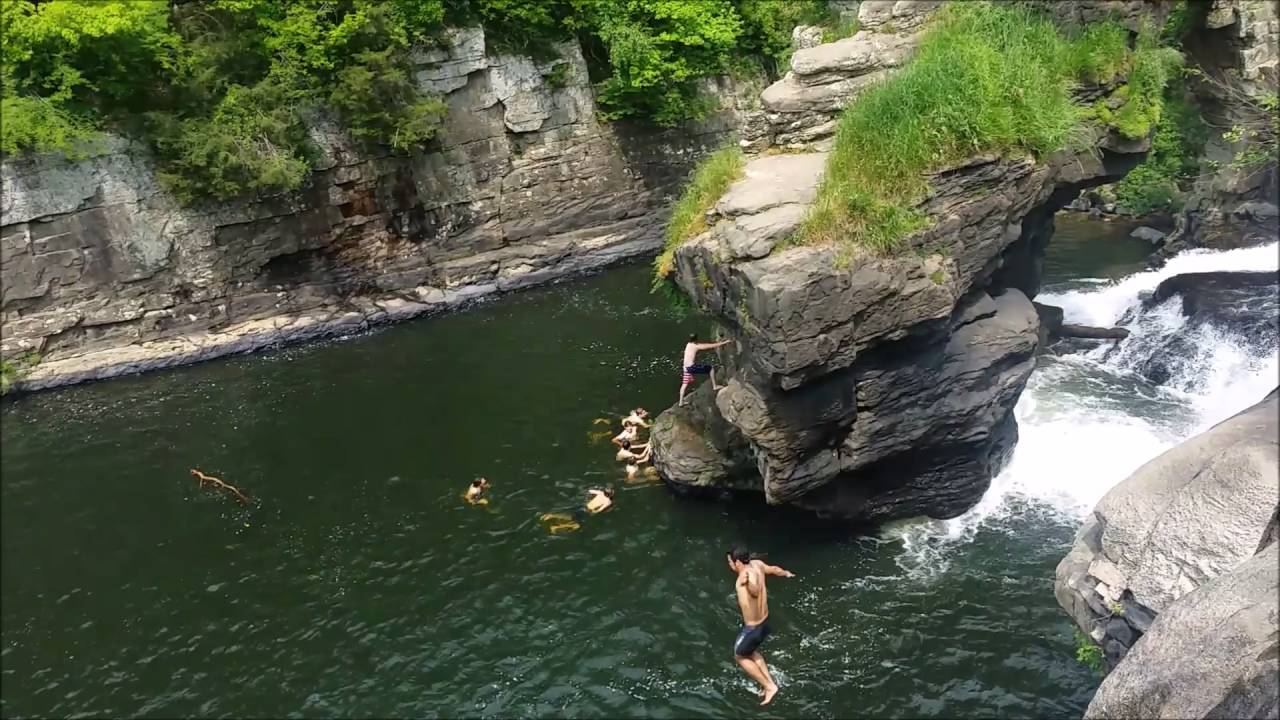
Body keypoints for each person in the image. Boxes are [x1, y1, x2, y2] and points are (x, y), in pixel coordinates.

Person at [727, 545, 795, 706]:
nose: (729, 565)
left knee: (739, 655)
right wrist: (786, 573)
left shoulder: (744, 577)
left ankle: (769, 686)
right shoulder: (757, 564)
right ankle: (769, 683)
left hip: (753, 629)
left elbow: (755, 590)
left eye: (730, 561)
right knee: (751, 651)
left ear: (737, 562)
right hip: (764, 624)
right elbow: (773, 569)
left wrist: (748, 582)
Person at [679, 334, 729, 406]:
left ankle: (681, 402)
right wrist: (724, 343)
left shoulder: (688, 344)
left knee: (684, 384)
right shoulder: (696, 346)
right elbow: (709, 346)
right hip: (691, 367)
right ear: (696, 340)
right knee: (710, 369)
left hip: (686, 368)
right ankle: (715, 386)